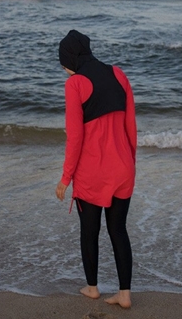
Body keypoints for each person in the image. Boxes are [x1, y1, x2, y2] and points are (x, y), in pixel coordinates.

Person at [55, 29, 137, 309]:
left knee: (89, 232)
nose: (65, 71)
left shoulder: (75, 84)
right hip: (123, 168)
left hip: (92, 173)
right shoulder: (118, 74)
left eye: (64, 64)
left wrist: (65, 177)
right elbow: (131, 126)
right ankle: (124, 294)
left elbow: (75, 137)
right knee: (118, 230)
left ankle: (92, 288)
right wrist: (130, 162)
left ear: (70, 59)